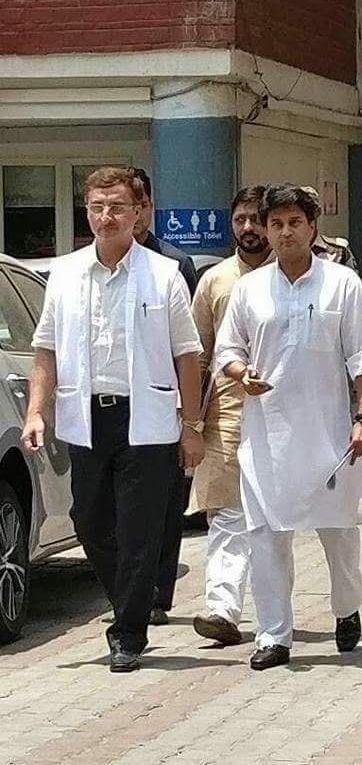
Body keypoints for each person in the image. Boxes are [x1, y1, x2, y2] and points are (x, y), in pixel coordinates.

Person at [22, 166, 204, 672]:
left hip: (146, 418)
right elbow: (45, 350)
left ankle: (127, 632)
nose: (107, 217)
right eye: (98, 208)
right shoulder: (66, 273)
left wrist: (192, 427)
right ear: (87, 213)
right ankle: (132, 595)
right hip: (86, 417)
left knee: (141, 526)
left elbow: (187, 355)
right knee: (89, 519)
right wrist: (37, 411)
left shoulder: (163, 274)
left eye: (118, 207)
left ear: (138, 213)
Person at [215, 184, 362, 670]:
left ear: (313, 228)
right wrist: (240, 375)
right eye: (276, 224)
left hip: (329, 433)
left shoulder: (342, 284)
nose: (285, 232)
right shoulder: (249, 289)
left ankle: (347, 609)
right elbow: (228, 350)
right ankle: (274, 635)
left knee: (339, 534)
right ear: (266, 230)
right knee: (266, 534)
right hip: (266, 434)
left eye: (295, 223)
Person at [190, 185, 269, 645]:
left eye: (256, 219)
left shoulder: (294, 276)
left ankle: (281, 609)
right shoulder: (216, 281)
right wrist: (190, 425)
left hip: (286, 418)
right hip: (226, 416)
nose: (248, 228)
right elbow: (198, 357)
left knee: (274, 522)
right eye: (240, 219)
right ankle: (222, 609)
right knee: (226, 516)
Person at [127, 167, 199, 625]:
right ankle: (129, 589)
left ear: (148, 208)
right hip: (114, 408)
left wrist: (187, 415)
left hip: (165, 405)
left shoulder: (173, 265)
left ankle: (157, 593)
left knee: (165, 505)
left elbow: (186, 347)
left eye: (135, 205)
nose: (125, 216)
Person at [301, 185, 359, 271]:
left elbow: (351, 282)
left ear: (317, 212)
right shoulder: (278, 250)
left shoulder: (339, 250)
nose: (303, 216)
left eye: (307, 211)